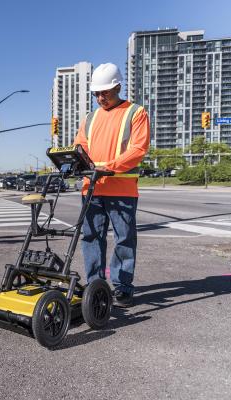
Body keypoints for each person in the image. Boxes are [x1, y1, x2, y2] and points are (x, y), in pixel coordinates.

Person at [73, 63, 150, 308]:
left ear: (118, 86)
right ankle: (95, 286)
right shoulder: (90, 117)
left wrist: (110, 166)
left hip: (121, 189)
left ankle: (123, 287)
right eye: (96, 93)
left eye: (104, 92)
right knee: (91, 238)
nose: (100, 97)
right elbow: (81, 146)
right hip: (92, 188)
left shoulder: (135, 113)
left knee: (124, 239)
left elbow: (138, 149)